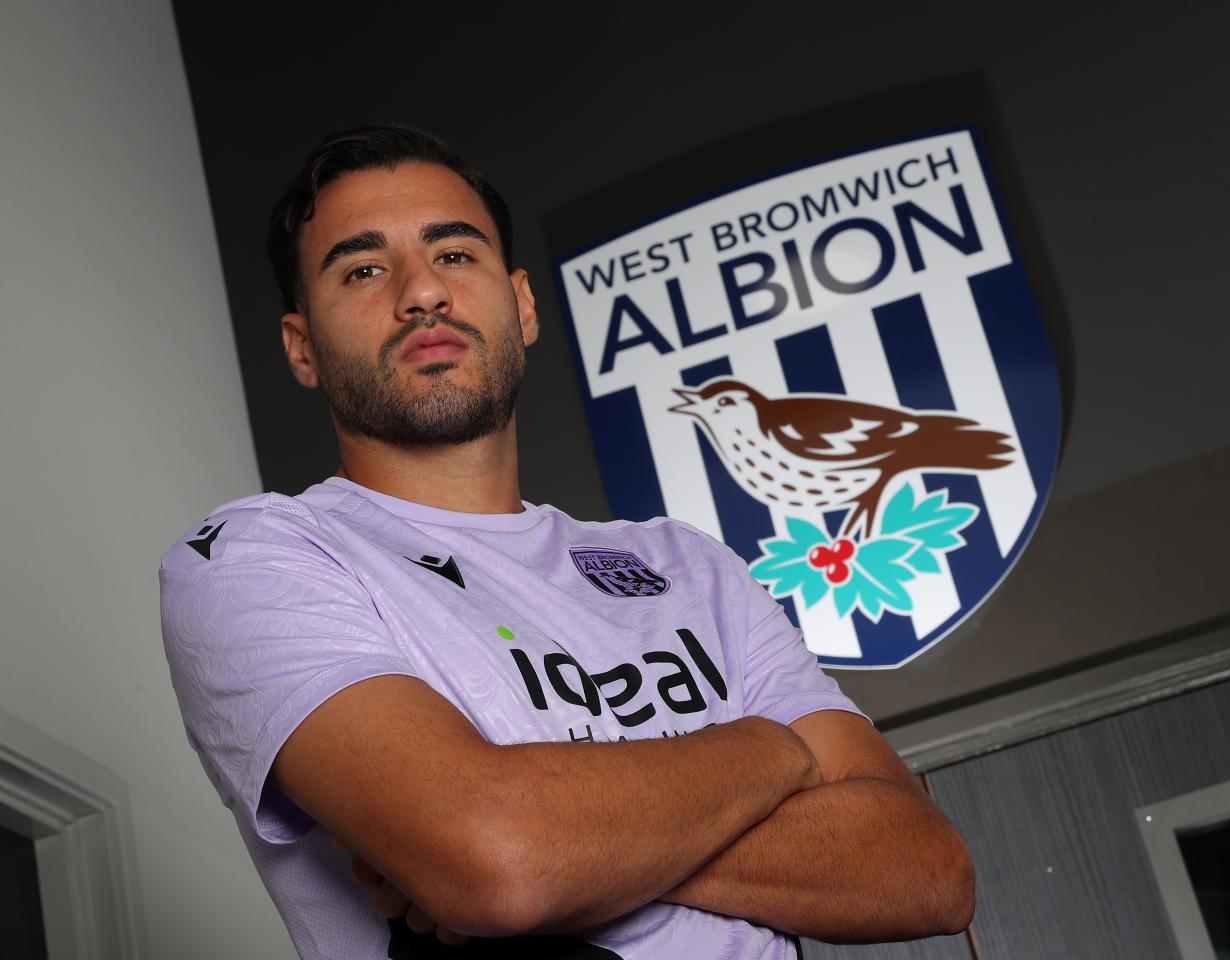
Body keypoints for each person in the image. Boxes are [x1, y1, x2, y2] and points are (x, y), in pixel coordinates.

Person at [158, 123, 974, 960]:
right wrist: (781, 750)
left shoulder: (685, 563)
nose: (421, 294)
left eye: (454, 254)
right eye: (363, 269)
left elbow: (927, 870)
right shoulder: (254, 556)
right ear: (302, 349)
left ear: (521, 304)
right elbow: (497, 857)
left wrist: (570, 838)